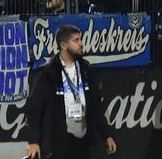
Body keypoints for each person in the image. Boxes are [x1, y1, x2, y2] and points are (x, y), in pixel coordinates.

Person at [23, 24, 116, 159]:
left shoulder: (85, 69)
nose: (81, 44)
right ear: (63, 45)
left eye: (81, 39)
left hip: (84, 140)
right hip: (59, 142)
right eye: (76, 40)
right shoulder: (48, 73)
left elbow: (96, 106)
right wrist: (34, 141)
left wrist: (107, 135)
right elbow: (35, 110)